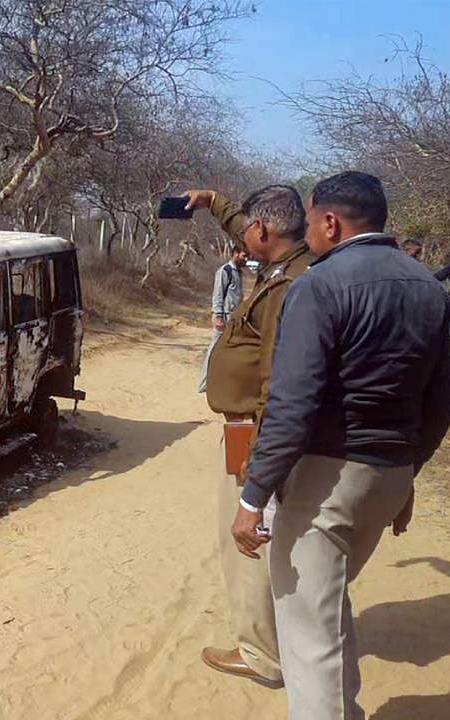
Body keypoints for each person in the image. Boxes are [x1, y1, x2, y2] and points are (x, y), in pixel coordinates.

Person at [233, 172, 450, 719]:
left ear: (330, 222)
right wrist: (406, 473)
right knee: (327, 608)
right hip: (389, 473)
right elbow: (440, 402)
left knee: (307, 632)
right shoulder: (429, 286)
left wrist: (252, 496)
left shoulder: (320, 285)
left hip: (326, 478)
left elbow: (293, 403)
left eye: (310, 221)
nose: (308, 233)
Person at [185, 185, 313, 690]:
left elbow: (275, 383)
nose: (246, 234)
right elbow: (245, 229)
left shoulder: (286, 288)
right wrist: (215, 202)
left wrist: (258, 465)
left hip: (253, 432)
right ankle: (274, 639)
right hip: (251, 429)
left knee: (245, 536)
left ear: (265, 232)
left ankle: (262, 653)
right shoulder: (289, 263)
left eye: (251, 228)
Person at [198, 244, 247, 392]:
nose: (246, 259)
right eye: (244, 256)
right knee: (214, 348)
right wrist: (218, 315)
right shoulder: (225, 271)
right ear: (235, 253)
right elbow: (218, 294)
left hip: (234, 318)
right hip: (224, 317)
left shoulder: (238, 272)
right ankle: (205, 383)